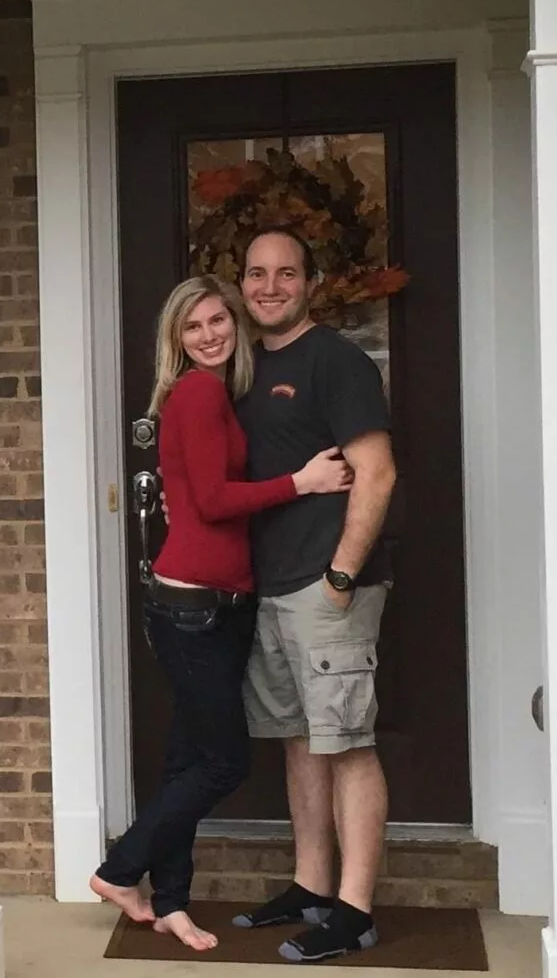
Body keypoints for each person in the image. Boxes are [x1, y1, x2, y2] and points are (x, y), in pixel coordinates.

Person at [89, 274, 353, 952]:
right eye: (192, 326)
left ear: (233, 324)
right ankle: (121, 869)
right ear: (174, 340)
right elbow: (208, 501)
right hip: (193, 608)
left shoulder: (212, 395)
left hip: (212, 604)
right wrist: (305, 481)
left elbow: (201, 491)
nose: (208, 334)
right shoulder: (200, 392)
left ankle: (171, 900)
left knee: (186, 759)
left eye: (217, 321)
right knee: (222, 763)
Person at [228, 226, 397, 964]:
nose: (269, 285)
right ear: (241, 283)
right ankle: (310, 885)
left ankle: (354, 911)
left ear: (310, 281)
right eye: (257, 273)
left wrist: (340, 576)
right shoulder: (242, 368)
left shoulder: (335, 360)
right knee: (299, 740)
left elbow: (377, 472)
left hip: (326, 588)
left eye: (285, 273)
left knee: (347, 745)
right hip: (269, 587)